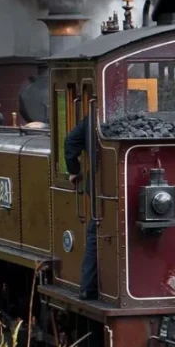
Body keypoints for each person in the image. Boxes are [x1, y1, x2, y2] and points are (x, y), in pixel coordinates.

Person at [64, 115, 97, 300]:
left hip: (103, 185)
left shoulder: (95, 116)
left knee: (96, 230)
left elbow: (70, 141)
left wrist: (74, 171)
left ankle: (88, 287)